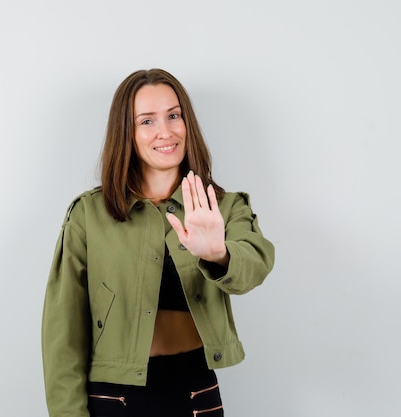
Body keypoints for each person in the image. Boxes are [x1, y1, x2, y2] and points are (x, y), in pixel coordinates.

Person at [41, 68, 275, 417]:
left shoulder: (222, 206)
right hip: (113, 399)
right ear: (127, 133)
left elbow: (255, 264)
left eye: (174, 116)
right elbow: (63, 335)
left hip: (197, 392)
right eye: (146, 121)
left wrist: (218, 253)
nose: (165, 131)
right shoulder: (88, 214)